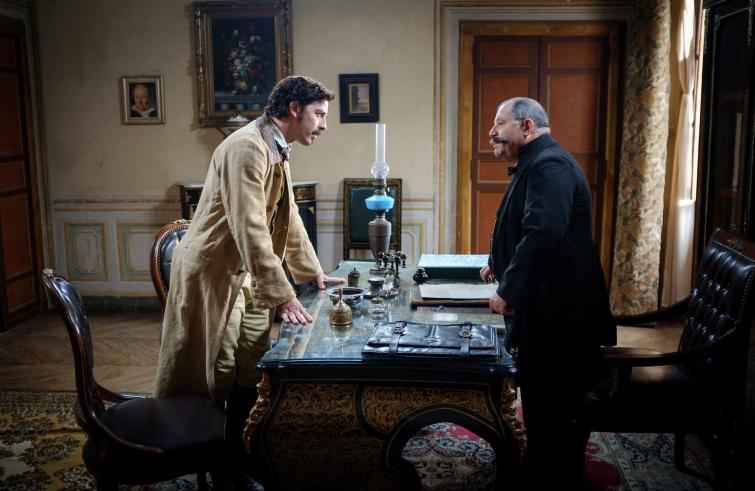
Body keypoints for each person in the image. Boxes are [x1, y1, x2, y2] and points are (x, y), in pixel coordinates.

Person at [155, 76, 345, 464]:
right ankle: (213, 457)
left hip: (250, 272)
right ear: (295, 109)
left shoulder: (277, 146)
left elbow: (289, 216)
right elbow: (250, 224)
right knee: (218, 369)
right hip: (215, 271)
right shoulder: (247, 147)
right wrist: (283, 295)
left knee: (253, 365)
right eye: (319, 114)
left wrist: (311, 271)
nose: (324, 125)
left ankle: (241, 449)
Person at [480, 97, 616, 487]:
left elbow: (543, 233)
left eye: (499, 123)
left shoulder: (549, 165)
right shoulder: (538, 161)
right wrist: (498, 261)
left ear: (527, 126)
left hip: (561, 317)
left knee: (552, 408)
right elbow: (524, 222)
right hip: (550, 309)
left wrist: (509, 290)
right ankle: (541, 469)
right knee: (540, 405)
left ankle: (552, 478)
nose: (491, 132)